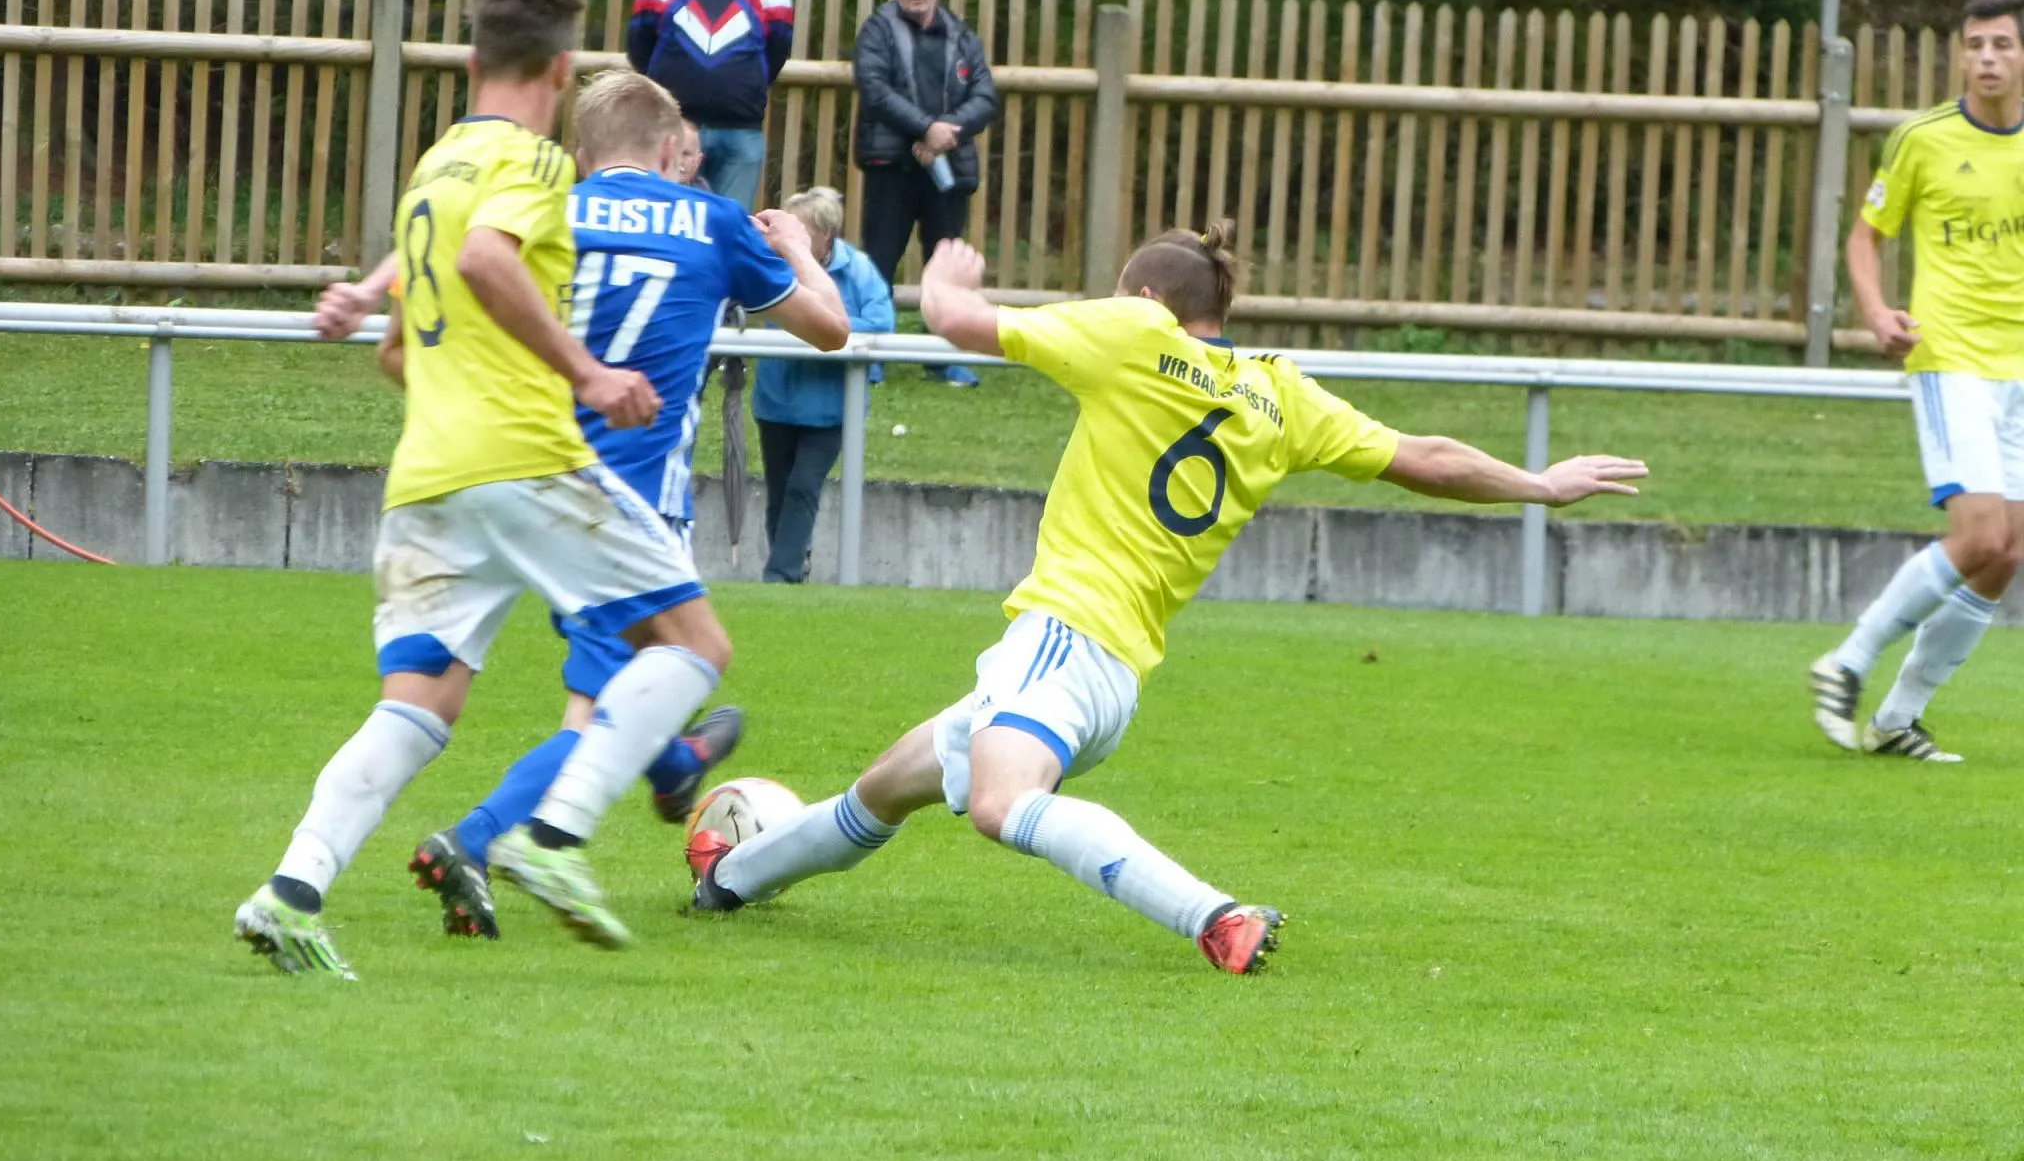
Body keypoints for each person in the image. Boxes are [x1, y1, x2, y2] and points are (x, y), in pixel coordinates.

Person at [686, 223, 1647, 973]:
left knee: (999, 805)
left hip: (1064, 636)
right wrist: (1538, 483)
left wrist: (934, 275)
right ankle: (729, 880)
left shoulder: (1137, 332)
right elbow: (1424, 458)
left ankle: (1215, 916)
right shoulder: (1282, 393)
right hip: (1114, 673)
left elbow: (955, 321)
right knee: (885, 788)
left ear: (1146, 298)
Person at [231, 0, 841, 979]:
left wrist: (367, 298)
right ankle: (551, 837)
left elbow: (399, 347)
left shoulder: (437, 167)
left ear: (472, 59)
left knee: (415, 710)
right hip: (527, 459)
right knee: (693, 645)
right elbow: (487, 259)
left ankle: (290, 893)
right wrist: (589, 375)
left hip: (428, 475)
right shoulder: (541, 166)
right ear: (560, 73)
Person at [404, 71, 851, 939]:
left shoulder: (545, 212)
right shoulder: (712, 220)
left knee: (640, 682)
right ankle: (477, 840)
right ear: (671, 149)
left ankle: (676, 763)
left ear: (581, 152)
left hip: (522, 477)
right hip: (635, 501)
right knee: (609, 709)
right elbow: (832, 328)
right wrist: (798, 245)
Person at [1809, 0, 2024, 764]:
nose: (1987, 58)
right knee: (1980, 535)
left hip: (2020, 369)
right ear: (1961, 56)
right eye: (1975, 45)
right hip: (1950, 356)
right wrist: (1876, 312)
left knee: (2007, 554)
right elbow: (1865, 238)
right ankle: (1847, 661)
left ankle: (1899, 717)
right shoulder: (1921, 139)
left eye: (2002, 44)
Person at [853, 0, 997, 388]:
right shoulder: (877, 31)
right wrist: (925, 129)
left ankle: (943, 355)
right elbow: (874, 89)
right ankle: (872, 351)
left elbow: (985, 96)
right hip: (892, 165)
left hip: (949, 165)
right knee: (879, 259)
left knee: (947, 260)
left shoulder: (962, 35)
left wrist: (947, 133)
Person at [751, 187, 896, 582]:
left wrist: (818, 327)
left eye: (801, 229)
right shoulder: (771, 263)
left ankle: (780, 574)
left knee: (803, 486)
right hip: (776, 401)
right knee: (779, 490)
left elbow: (881, 324)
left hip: (830, 408)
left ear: (826, 234)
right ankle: (793, 563)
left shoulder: (859, 270)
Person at [627, 0, 792, 210]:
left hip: (740, 132)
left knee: (729, 224)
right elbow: (639, 45)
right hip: (673, 128)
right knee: (668, 218)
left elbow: (777, 51)